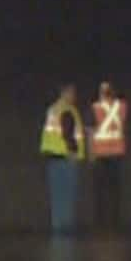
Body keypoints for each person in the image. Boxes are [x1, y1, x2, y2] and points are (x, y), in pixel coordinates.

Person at [39, 83, 85, 234]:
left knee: (57, 197)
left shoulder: (52, 109)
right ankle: (65, 229)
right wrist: (73, 153)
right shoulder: (68, 110)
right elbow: (69, 134)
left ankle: (57, 227)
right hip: (67, 159)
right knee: (67, 196)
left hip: (52, 157)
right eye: (72, 93)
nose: (74, 97)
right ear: (65, 93)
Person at [87, 81, 128, 232]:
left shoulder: (96, 108)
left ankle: (100, 220)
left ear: (101, 94)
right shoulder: (122, 107)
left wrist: (91, 155)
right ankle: (115, 219)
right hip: (117, 154)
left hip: (101, 154)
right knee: (115, 190)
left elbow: (91, 133)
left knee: (100, 191)